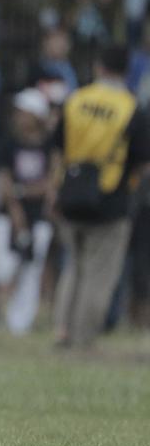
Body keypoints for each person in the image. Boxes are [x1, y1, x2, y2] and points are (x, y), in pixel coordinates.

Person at [52, 46, 150, 349]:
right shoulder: (131, 108)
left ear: (99, 66)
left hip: (71, 193)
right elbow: (142, 161)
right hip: (112, 199)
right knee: (100, 274)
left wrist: (55, 189)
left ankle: (62, 330)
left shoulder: (76, 100)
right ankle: (84, 338)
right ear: (126, 71)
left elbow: (57, 148)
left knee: (73, 266)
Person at [0, 89, 54, 334]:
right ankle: (0, 316)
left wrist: (21, 191)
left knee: (32, 270)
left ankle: (21, 324)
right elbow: (4, 183)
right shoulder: (8, 144)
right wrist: (16, 206)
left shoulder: (49, 145)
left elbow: (51, 183)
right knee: (3, 268)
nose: (19, 117)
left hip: (38, 218)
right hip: (9, 218)